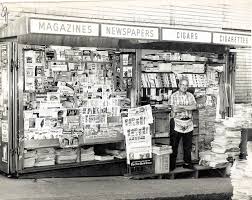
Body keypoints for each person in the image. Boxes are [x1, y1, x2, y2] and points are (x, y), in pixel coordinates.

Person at [168, 78, 197, 170]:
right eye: (182, 85)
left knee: (187, 145)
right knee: (174, 144)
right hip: (177, 121)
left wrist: (181, 107)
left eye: (186, 85)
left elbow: (194, 106)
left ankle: (187, 163)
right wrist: (187, 107)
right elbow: (174, 109)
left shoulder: (190, 96)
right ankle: (172, 165)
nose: (184, 87)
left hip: (188, 122)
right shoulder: (174, 96)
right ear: (179, 85)